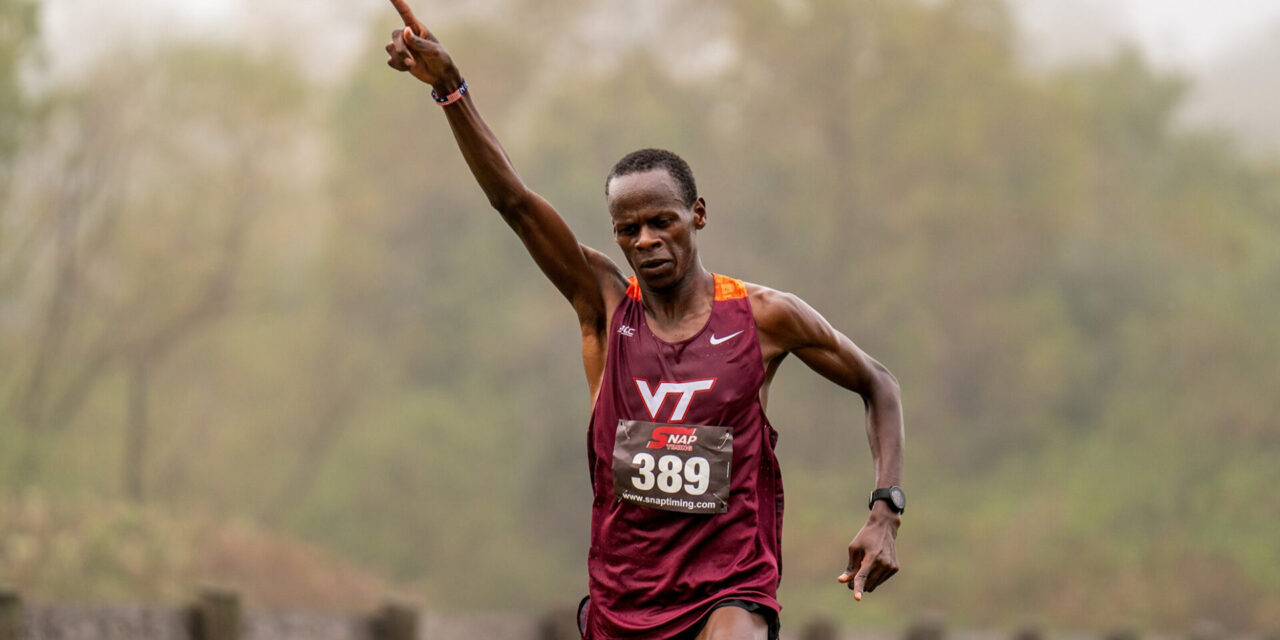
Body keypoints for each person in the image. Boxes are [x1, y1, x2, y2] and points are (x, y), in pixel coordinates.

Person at [383, 3, 905, 638]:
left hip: (731, 588)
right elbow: (514, 203)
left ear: (698, 215)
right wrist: (451, 89)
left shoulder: (765, 317)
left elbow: (879, 383)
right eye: (629, 230)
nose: (648, 240)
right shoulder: (604, 307)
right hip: (623, 605)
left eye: (664, 221)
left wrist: (885, 512)